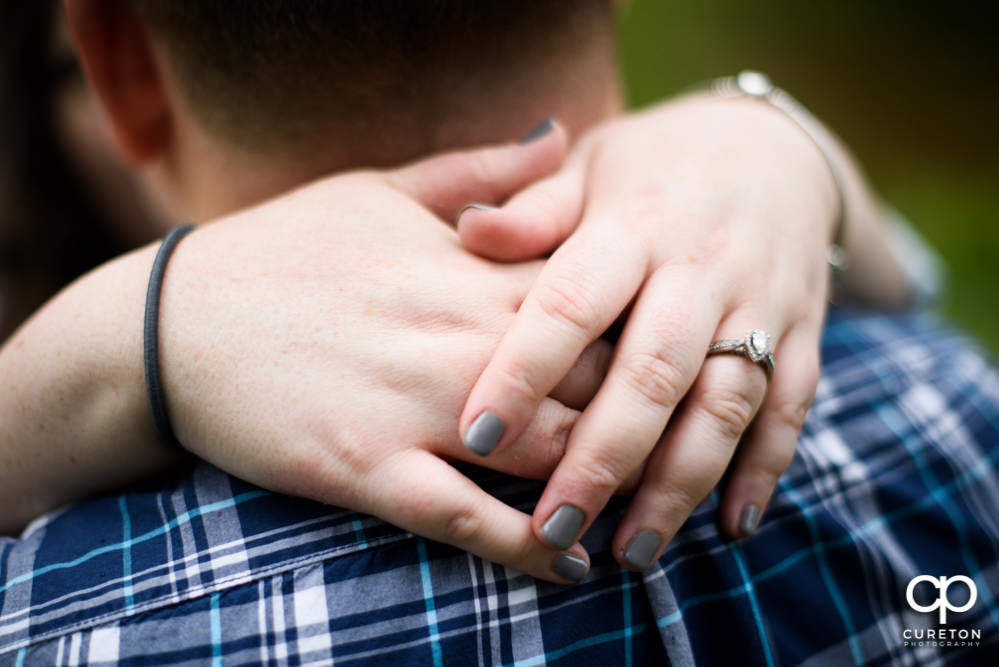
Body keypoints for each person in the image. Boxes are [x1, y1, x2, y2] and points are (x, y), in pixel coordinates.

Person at [1, 0, 997, 664]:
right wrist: (790, 140)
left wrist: (101, 347)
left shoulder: (58, 626)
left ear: (119, 65)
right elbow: (922, 301)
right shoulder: (954, 421)